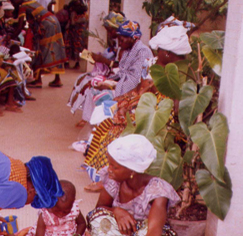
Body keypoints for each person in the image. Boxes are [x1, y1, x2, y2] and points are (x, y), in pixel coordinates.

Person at [84, 25, 191, 192]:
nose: (156, 53)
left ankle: (110, 179)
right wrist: (124, 103)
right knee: (106, 124)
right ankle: (105, 174)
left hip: (161, 116)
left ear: (168, 53)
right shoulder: (152, 64)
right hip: (145, 107)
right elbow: (140, 90)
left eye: (160, 50)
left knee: (118, 131)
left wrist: (131, 109)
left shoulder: (182, 73)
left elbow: (175, 108)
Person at [87, 134, 180, 236]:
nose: (109, 169)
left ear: (132, 171)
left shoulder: (158, 190)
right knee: (97, 218)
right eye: (110, 164)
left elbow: (154, 230)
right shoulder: (114, 180)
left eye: (114, 167)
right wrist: (117, 210)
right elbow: (99, 209)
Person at [68, 11, 126, 128]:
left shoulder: (125, 44)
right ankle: (87, 117)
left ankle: (88, 118)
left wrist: (103, 60)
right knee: (83, 79)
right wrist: (99, 59)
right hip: (113, 74)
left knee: (91, 85)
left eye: (111, 30)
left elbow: (122, 68)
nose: (109, 33)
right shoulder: (117, 42)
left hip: (120, 78)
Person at [10, 0, 67, 88]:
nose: (13, 3)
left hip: (45, 25)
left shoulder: (23, 6)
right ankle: (57, 79)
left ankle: (38, 80)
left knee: (39, 49)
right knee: (55, 48)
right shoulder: (32, 2)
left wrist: (11, 38)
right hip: (54, 21)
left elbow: (20, 26)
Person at [64, 1, 88, 70]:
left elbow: (73, 22)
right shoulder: (82, 15)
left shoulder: (77, 15)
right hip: (75, 33)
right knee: (74, 48)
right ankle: (75, 63)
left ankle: (76, 64)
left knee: (76, 48)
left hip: (76, 33)